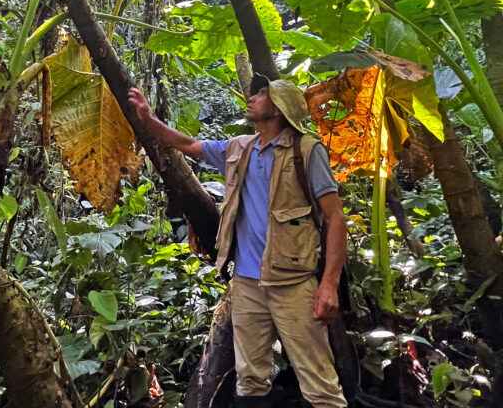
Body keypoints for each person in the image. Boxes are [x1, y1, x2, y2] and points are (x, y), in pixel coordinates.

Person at [128, 76, 348, 408]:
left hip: (293, 283)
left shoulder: (306, 151)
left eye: (262, 94)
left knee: (320, 385)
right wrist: (148, 118)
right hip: (247, 283)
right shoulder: (240, 148)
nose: (253, 97)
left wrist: (329, 283)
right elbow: (189, 145)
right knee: (250, 379)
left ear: (277, 108)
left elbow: (335, 219)